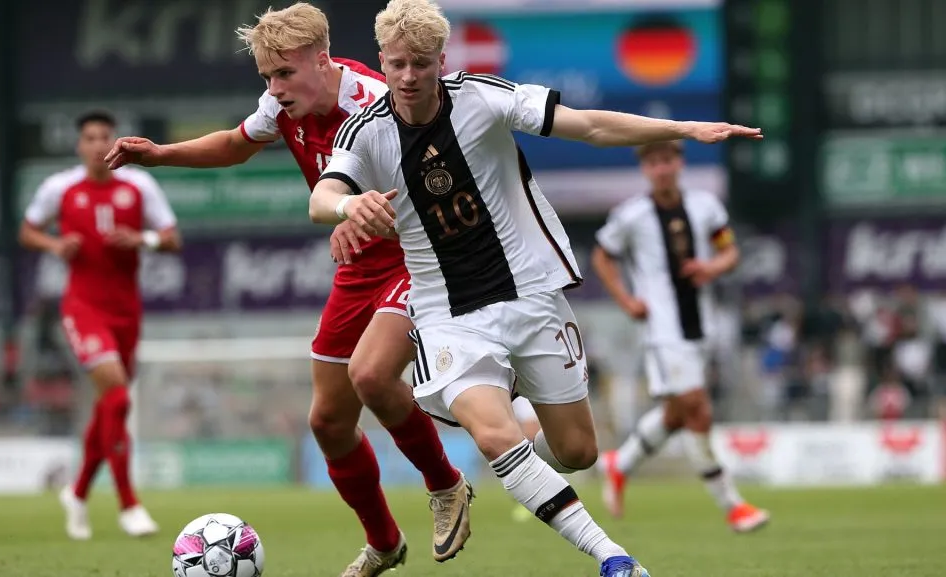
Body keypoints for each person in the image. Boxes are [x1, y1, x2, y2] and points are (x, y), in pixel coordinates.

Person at [309, 0, 762, 574]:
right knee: (496, 436)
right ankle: (615, 559)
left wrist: (684, 128)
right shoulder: (367, 129)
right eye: (396, 64)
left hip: (529, 294)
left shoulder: (484, 97)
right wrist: (350, 203)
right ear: (382, 60)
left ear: (441, 60)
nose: (407, 76)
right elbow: (321, 197)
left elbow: (591, 125)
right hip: (447, 314)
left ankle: (519, 407)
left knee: (577, 452)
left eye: (420, 63)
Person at [102, 4, 471, 575]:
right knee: (327, 422)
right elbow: (236, 143)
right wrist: (160, 155)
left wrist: (356, 211)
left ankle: (446, 485)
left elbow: (435, 180)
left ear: (322, 61)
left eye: (284, 74)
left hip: (418, 258)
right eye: (266, 78)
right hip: (359, 268)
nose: (274, 89)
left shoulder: (380, 101)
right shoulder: (282, 106)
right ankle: (383, 543)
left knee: (371, 375)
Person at [19, 110, 181, 540]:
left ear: (115, 142)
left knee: (110, 404)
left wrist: (141, 239)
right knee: (116, 395)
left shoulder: (140, 185)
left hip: (126, 308)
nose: (96, 145)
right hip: (82, 305)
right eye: (89, 137)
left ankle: (76, 492)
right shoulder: (60, 187)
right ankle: (129, 503)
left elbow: (171, 237)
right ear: (79, 145)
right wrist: (56, 245)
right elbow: (27, 231)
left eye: (104, 137)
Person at [593, 140, 769, 532]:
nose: (661, 168)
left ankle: (620, 465)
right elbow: (602, 256)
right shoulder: (631, 215)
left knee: (675, 414)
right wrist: (625, 300)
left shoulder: (706, 206)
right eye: (653, 161)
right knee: (697, 408)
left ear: (679, 162)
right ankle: (733, 505)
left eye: (667, 160)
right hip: (663, 329)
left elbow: (730, 251)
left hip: (700, 325)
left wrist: (713, 266)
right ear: (645, 168)